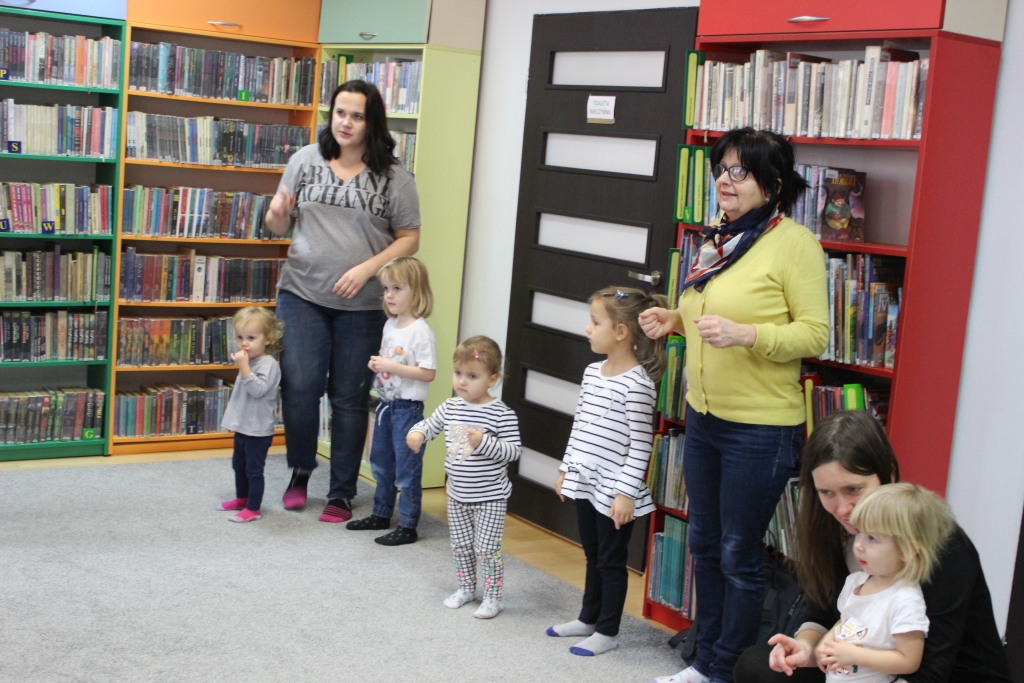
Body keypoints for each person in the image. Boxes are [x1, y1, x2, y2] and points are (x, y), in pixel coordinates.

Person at [640, 128, 829, 683]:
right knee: (704, 543)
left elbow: (815, 335)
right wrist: (675, 320)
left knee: (738, 553)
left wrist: (749, 335)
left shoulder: (794, 243)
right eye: (721, 168)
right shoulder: (719, 236)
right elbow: (707, 311)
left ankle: (725, 668)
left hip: (760, 428)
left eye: (740, 171)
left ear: (773, 183)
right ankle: (706, 657)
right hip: (704, 417)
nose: (726, 180)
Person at [733, 410, 1013, 683]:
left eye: (854, 489)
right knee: (757, 665)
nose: (843, 509)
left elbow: (931, 670)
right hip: (866, 665)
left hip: (942, 673)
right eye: (826, 493)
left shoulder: (942, 545)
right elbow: (824, 611)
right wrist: (805, 648)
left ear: (887, 472)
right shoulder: (833, 528)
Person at [264, 80, 421, 524]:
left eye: (357, 115)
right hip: (302, 293)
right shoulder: (304, 160)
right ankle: (300, 472)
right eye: (340, 113)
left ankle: (342, 492)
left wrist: (367, 268)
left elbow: (409, 238)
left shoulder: (395, 177)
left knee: (350, 397)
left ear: (372, 122)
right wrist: (276, 214)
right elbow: (279, 224)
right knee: (299, 387)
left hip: (364, 304)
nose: (346, 123)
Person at [548, 286, 667, 657]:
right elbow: (580, 425)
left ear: (621, 332)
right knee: (592, 553)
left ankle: (608, 631)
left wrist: (625, 493)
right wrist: (565, 469)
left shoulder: (637, 384)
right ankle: (588, 618)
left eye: (595, 322)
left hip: (614, 490)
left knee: (611, 562)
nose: (588, 328)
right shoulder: (591, 372)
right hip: (585, 480)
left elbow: (641, 445)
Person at [406, 336, 521, 619]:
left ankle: (493, 597)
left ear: (492, 379)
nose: (462, 381)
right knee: (460, 545)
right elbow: (430, 425)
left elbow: (513, 452)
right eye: (458, 373)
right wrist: (418, 433)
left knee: (486, 548)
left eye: (472, 376)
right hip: (457, 494)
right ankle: (466, 588)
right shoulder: (451, 407)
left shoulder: (502, 414)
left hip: (490, 497)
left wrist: (483, 442)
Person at [817, 483, 953, 681]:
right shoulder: (855, 582)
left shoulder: (905, 600)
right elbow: (847, 621)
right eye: (859, 532)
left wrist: (855, 655)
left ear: (907, 550)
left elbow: (909, 660)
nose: (859, 545)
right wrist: (827, 641)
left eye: (872, 538)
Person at [346, 256, 436, 546]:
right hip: (385, 405)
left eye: (397, 288)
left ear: (416, 291)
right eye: (386, 289)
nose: (389, 295)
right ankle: (381, 513)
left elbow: (428, 373)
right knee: (380, 463)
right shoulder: (390, 325)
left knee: (407, 469)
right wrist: (380, 366)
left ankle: (408, 525)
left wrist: (390, 366)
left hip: (407, 410)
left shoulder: (421, 331)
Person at [217, 307, 284, 523]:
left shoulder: (269, 365)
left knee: (254, 471)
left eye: (251, 338)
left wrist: (244, 367)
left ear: (268, 338)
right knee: (238, 466)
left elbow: (257, 390)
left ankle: (253, 508)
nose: (244, 343)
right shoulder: (249, 362)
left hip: (258, 431)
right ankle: (242, 498)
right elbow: (241, 396)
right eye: (240, 337)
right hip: (243, 427)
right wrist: (234, 420)